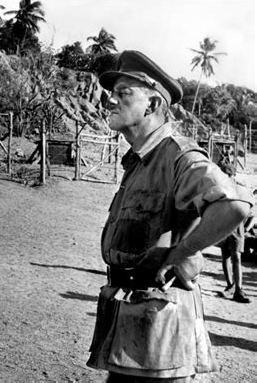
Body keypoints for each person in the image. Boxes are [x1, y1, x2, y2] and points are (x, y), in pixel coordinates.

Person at [86, 50, 253, 382]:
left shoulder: (175, 154)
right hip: (133, 323)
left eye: (123, 93)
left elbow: (235, 205)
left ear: (152, 105)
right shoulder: (139, 160)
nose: (110, 101)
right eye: (112, 92)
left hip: (162, 328)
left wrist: (180, 253)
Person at [216, 162, 252, 303]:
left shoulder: (240, 190)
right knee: (225, 256)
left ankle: (239, 289)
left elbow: (249, 210)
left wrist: (246, 227)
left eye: (228, 175)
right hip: (223, 225)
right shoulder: (219, 189)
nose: (225, 177)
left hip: (236, 226)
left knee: (236, 257)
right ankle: (230, 285)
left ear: (233, 175)